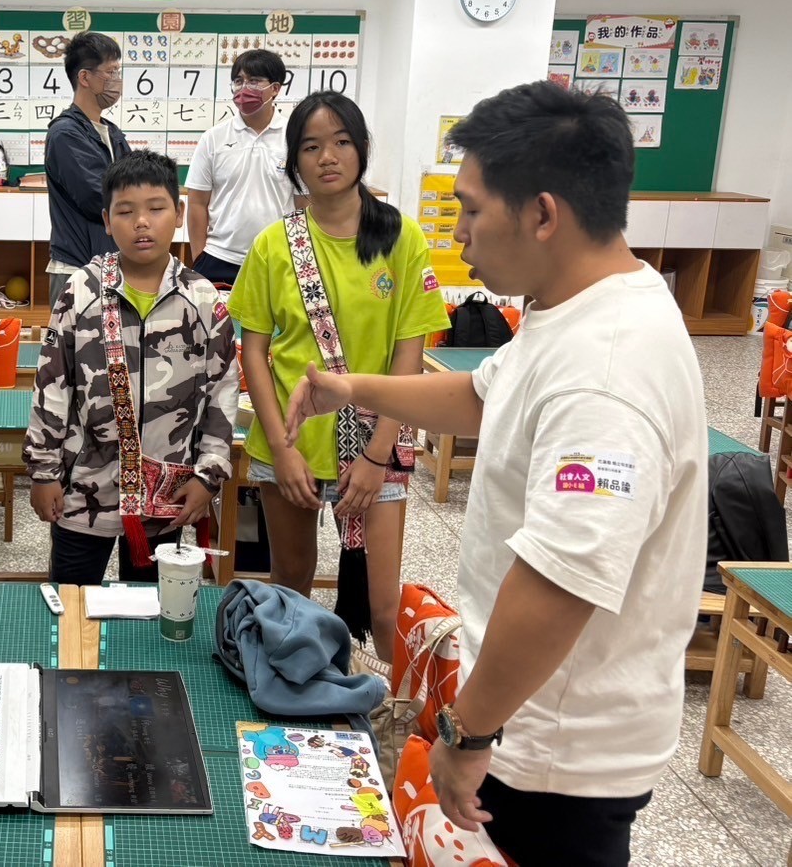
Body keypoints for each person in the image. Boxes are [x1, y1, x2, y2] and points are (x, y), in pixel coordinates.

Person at [284, 81, 706, 867]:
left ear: (542, 214)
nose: (458, 232)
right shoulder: (571, 309)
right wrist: (352, 389)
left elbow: (560, 585)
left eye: (471, 210)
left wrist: (468, 732)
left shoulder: (606, 372)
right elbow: (482, 396)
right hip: (529, 718)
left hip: (554, 751)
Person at [226, 92, 449, 653]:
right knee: (290, 586)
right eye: (311, 147)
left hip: (380, 441)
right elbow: (254, 353)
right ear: (293, 161)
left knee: (383, 605)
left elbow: (408, 356)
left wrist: (376, 457)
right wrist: (282, 451)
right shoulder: (274, 245)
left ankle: (390, 701)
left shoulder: (402, 238)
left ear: (363, 148)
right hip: (291, 442)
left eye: (342, 142)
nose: (327, 157)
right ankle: (289, 686)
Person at [25, 150, 238, 584]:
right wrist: (44, 472)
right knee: (73, 601)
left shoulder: (203, 300)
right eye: (126, 212)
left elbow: (223, 392)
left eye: (156, 209)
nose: (142, 222)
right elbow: (51, 384)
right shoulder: (81, 292)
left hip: (169, 491)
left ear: (179, 214)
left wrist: (208, 476)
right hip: (85, 489)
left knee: (151, 608)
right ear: (107, 220)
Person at [186, 48, 305, 287]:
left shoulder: (295, 138)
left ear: (275, 88)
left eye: (254, 81)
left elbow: (303, 204)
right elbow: (197, 202)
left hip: (278, 257)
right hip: (219, 257)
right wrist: (199, 257)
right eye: (238, 81)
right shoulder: (213, 138)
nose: (244, 88)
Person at [44, 31, 131, 309]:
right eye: (111, 71)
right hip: (76, 268)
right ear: (85, 77)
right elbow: (96, 197)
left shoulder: (113, 133)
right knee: (72, 339)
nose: (117, 80)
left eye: (118, 71)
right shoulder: (65, 133)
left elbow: (135, 185)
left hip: (112, 265)